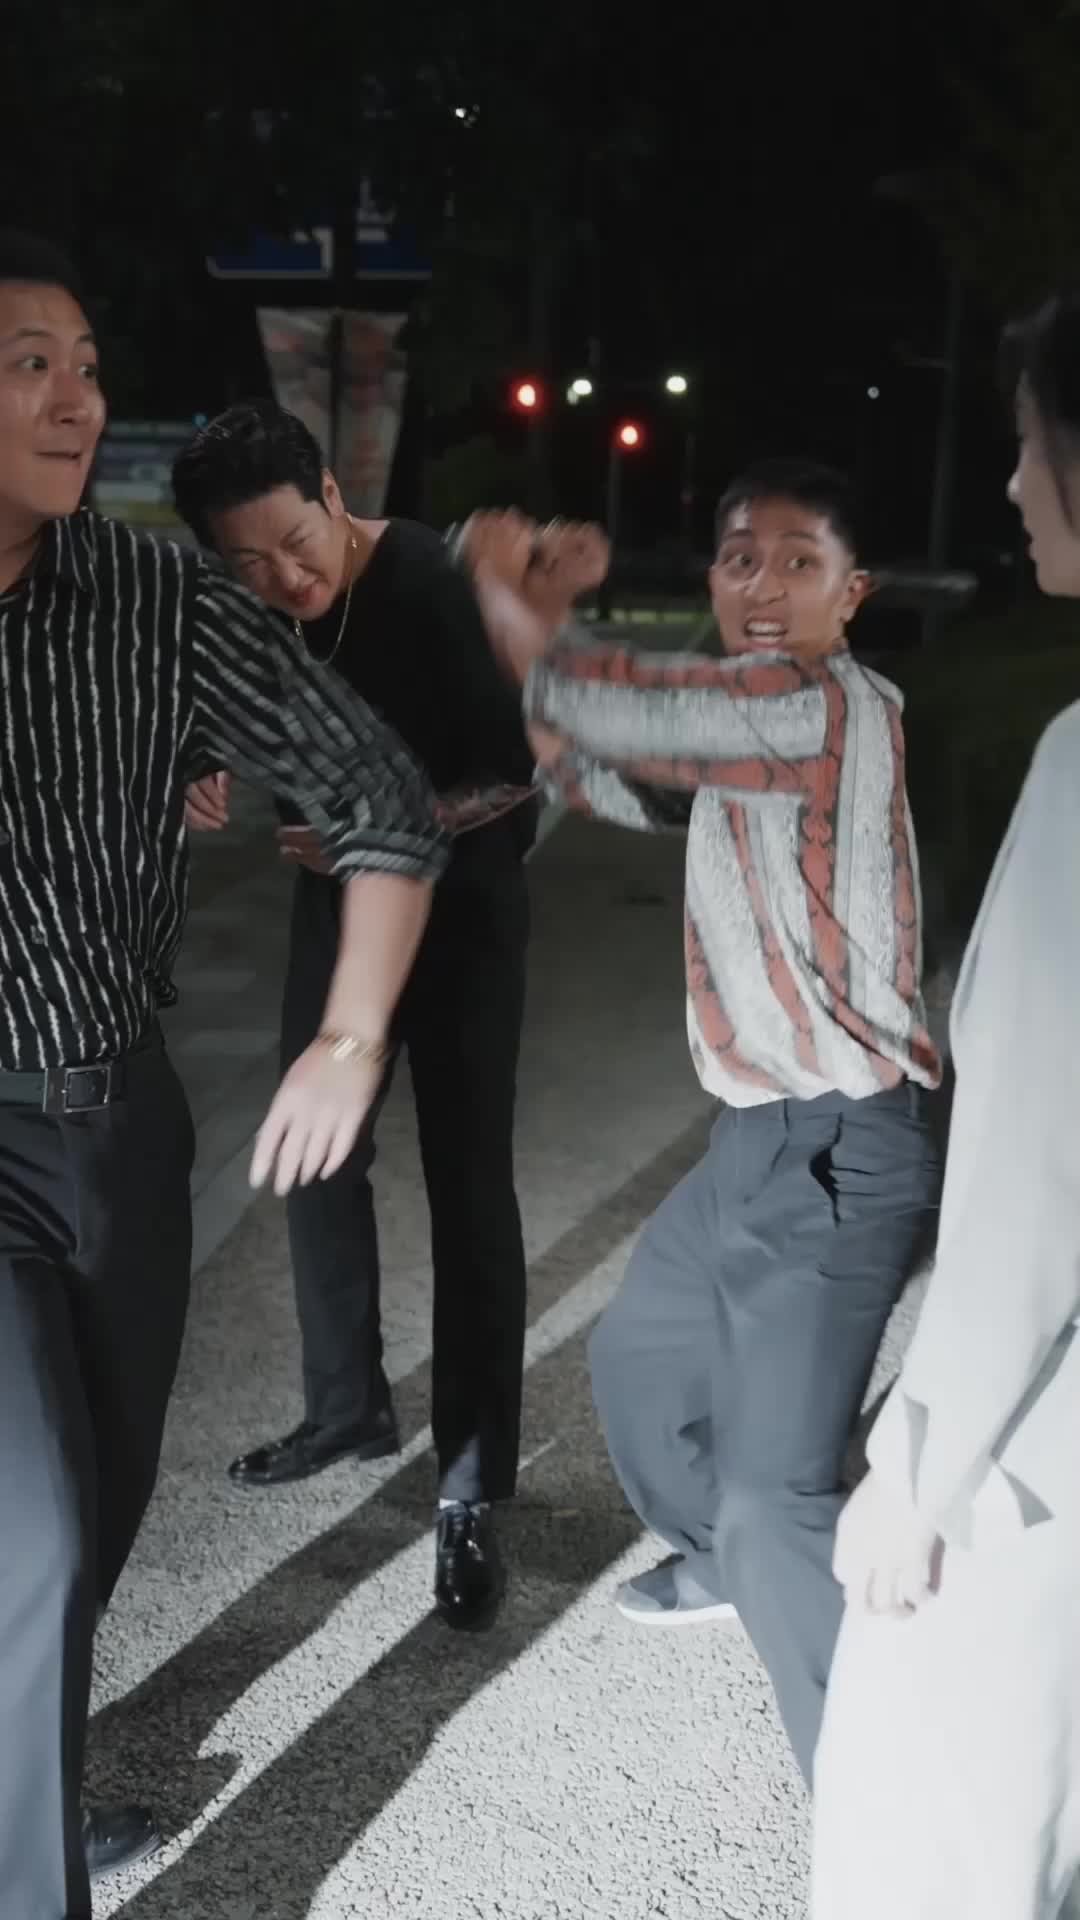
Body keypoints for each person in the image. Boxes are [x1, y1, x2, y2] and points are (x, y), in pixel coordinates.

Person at [0, 232, 447, 1920]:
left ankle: (21, 1799)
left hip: (118, 1125)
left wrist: (350, 1036)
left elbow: (379, 794)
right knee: (34, 1533)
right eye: (29, 363)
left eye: (85, 363)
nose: (75, 396)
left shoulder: (153, 605)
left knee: (90, 1525)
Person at [458, 464, 943, 1786]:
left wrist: (513, 599)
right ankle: (730, 1563)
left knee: (778, 1500)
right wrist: (544, 676)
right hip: (753, 1141)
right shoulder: (751, 728)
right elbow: (616, 769)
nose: (763, 584)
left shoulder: (819, 704)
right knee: (643, 1364)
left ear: (852, 592)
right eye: (739, 559)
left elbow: (624, 705)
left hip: (840, 1148)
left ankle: (879, 1815)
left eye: (799, 562)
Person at [172, 402, 538, 1631]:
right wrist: (194, 753)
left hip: (467, 913)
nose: (286, 579)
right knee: (312, 1160)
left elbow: (513, 779)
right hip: (331, 906)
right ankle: (345, 1409)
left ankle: (472, 1483)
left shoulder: (423, 578)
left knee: (468, 1183)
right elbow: (215, 688)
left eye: (297, 542)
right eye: (250, 563)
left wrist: (382, 837)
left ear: (333, 495)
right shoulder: (245, 603)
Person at [811, 294, 1080, 1919]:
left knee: (942, 1845)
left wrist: (917, 1471)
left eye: (1032, 446)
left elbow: (1038, 1192)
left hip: (1044, 1459)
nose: (1011, 484)